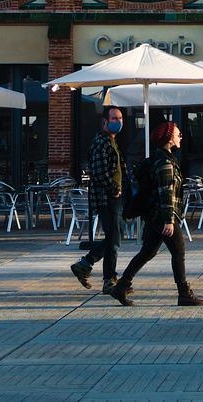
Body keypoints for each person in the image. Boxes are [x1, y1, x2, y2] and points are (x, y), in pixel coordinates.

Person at [110, 120, 203, 308]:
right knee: (178, 251)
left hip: (154, 215)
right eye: (177, 134)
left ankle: (121, 287)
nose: (180, 137)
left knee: (147, 252)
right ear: (169, 139)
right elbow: (165, 192)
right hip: (162, 215)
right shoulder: (165, 162)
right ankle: (184, 293)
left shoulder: (160, 158)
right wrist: (169, 220)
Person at [70, 105, 125, 294]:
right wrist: (114, 188)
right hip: (106, 198)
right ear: (105, 121)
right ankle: (108, 279)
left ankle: (86, 264)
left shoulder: (111, 141)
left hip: (113, 197)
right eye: (114, 118)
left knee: (115, 237)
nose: (118, 122)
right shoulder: (101, 142)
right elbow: (99, 172)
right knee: (113, 239)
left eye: (120, 118)